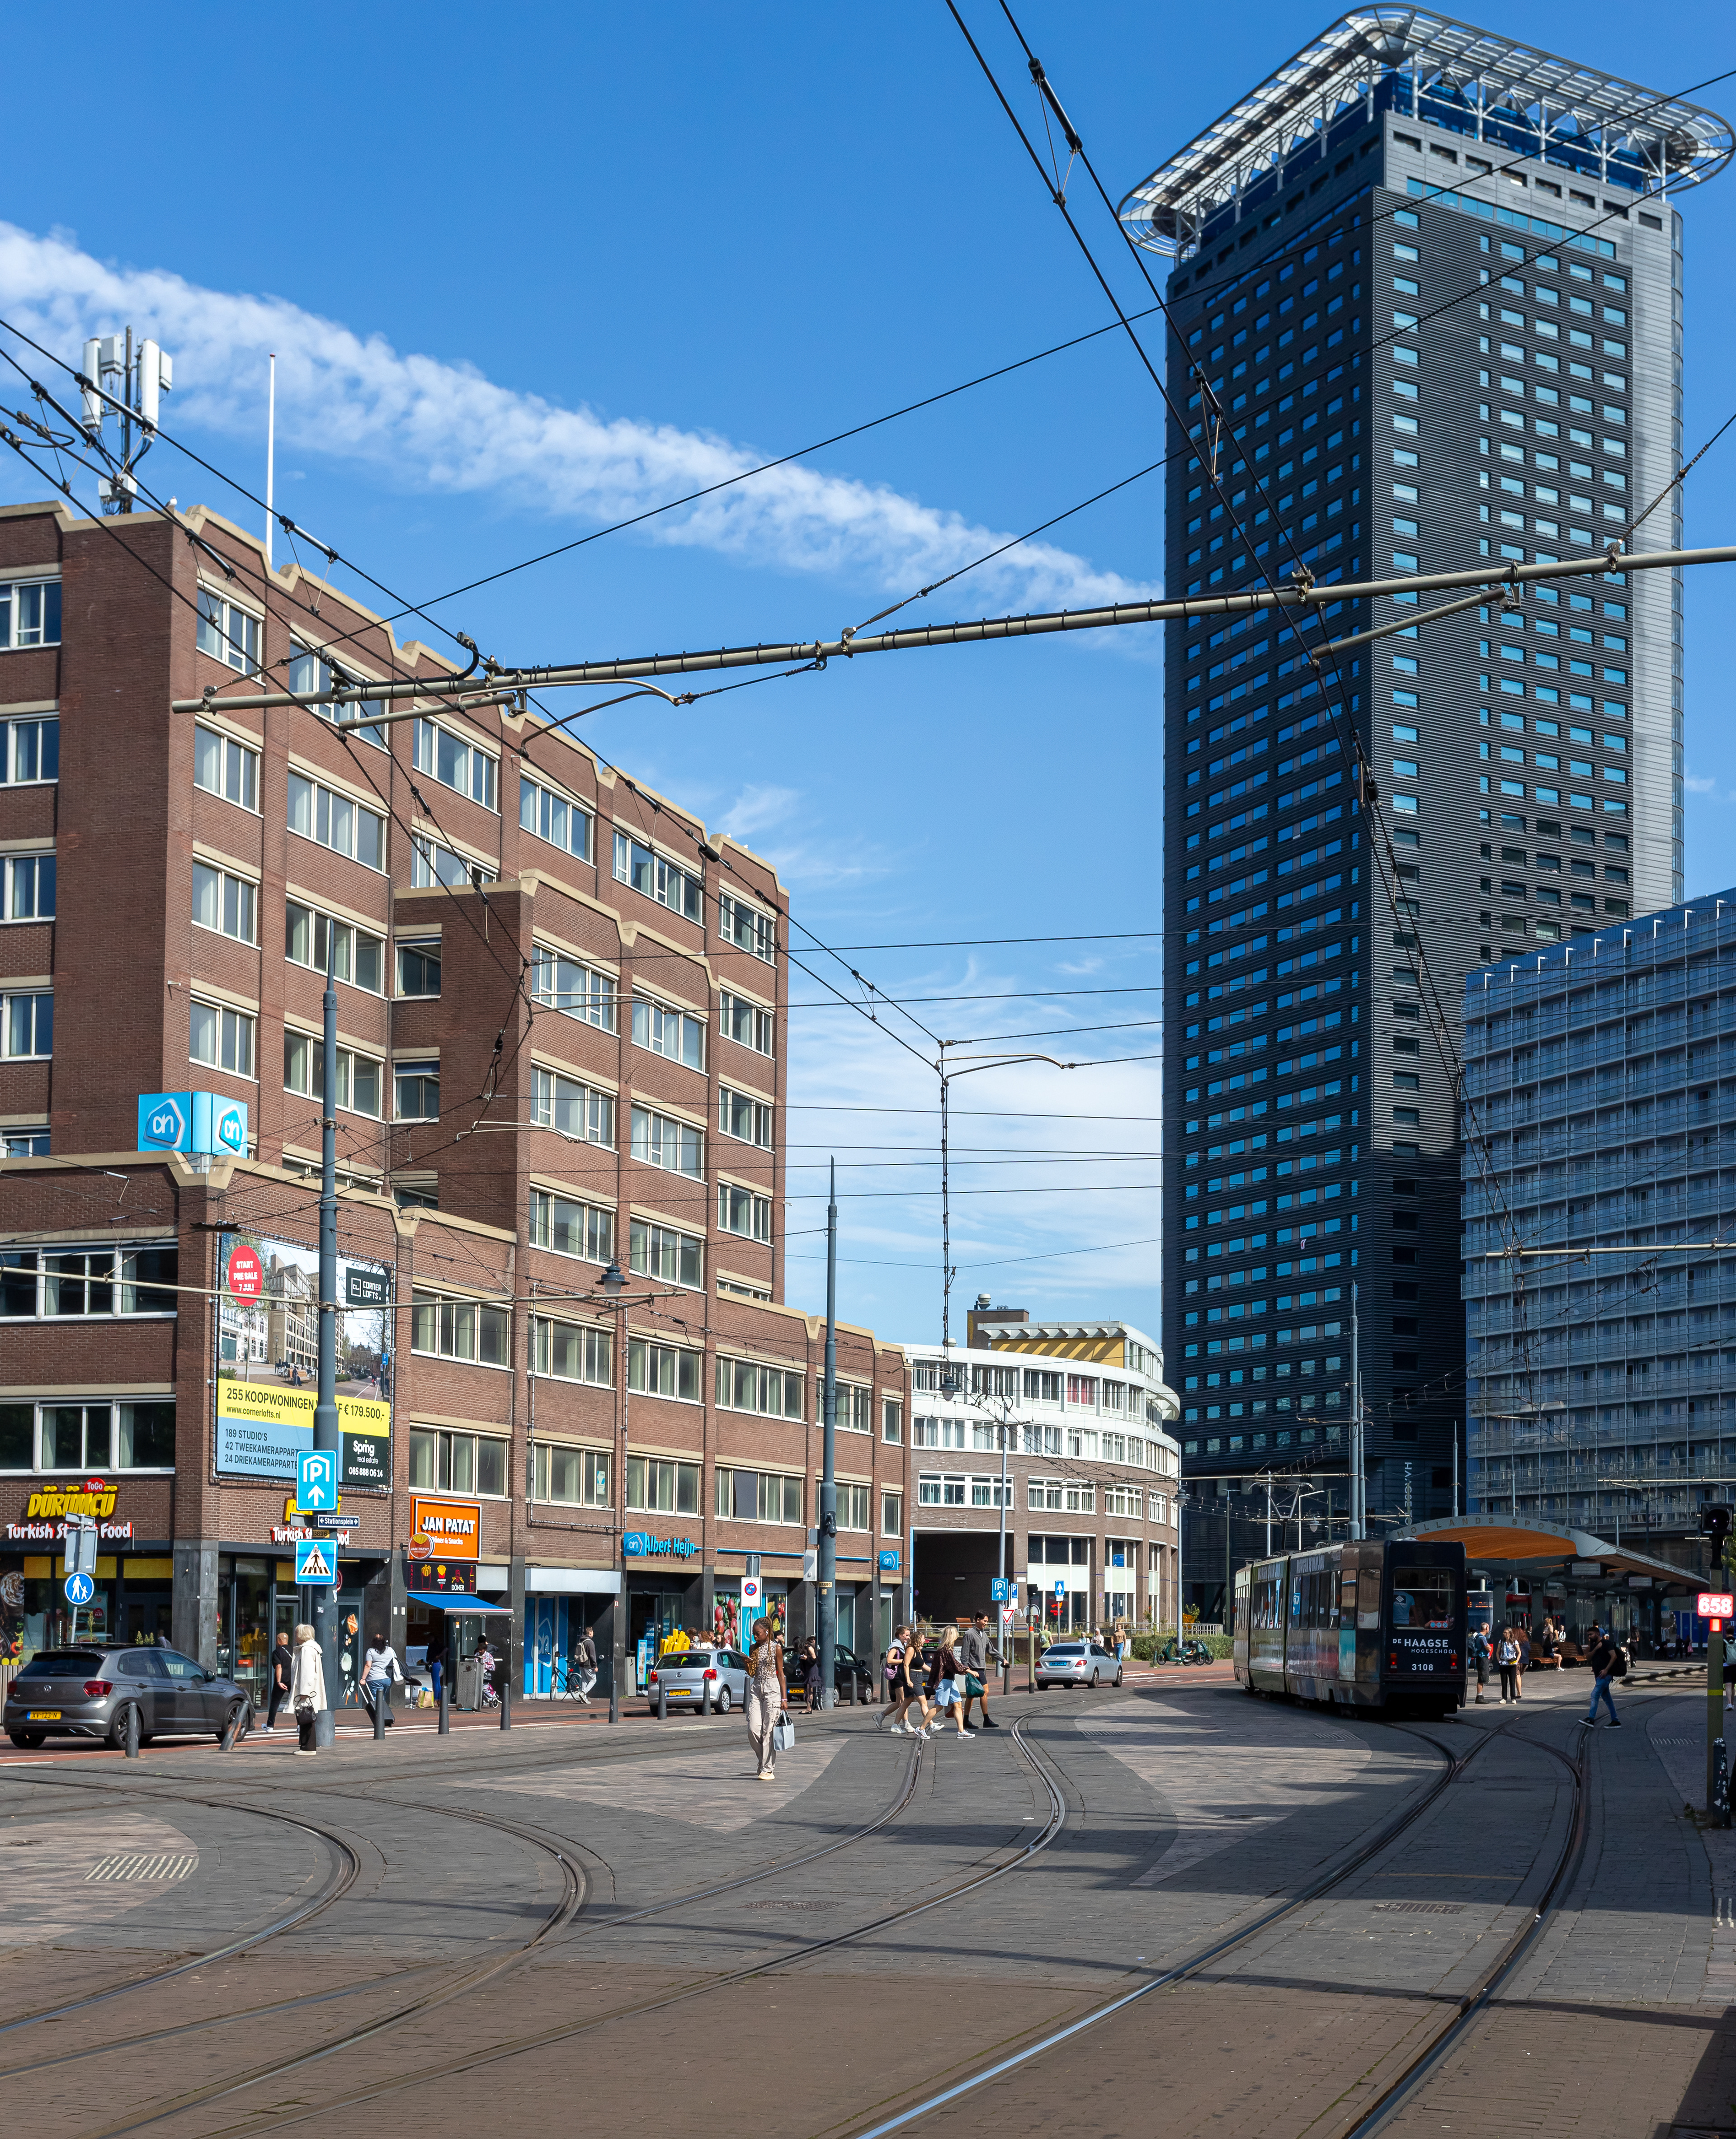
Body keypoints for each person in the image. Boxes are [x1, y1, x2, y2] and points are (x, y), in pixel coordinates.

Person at [745, 1618, 787, 1780]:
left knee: (768, 1730)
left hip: (772, 1688)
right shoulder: (753, 1648)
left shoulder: (777, 1648)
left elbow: (781, 1674)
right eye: (754, 1634)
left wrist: (784, 1699)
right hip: (756, 1688)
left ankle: (768, 1769)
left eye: (758, 1633)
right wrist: (746, 1663)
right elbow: (751, 1672)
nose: (755, 1636)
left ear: (767, 1632)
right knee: (753, 1729)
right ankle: (762, 1761)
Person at [289, 1621, 326, 1756]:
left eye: (296, 1633)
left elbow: (307, 1672)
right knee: (307, 1716)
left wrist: (305, 1691)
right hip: (309, 1690)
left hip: (306, 1691)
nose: (295, 1636)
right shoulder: (311, 1648)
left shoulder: (306, 1649)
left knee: (305, 1716)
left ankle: (308, 1748)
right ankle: (306, 1747)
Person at [928, 1625, 972, 1740]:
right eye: (956, 1634)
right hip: (944, 1681)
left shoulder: (947, 1649)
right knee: (939, 1706)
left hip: (950, 1681)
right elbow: (954, 1665)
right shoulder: (945, 1650)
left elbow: (953, 1665)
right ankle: (921, 1728)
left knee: (958, 1704)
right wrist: (969, 1671)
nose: (957, 1636)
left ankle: (961, 1731)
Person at [960, 1611, 999, 1731]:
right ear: (978, 1620)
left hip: (981, 1668)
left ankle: (969, 1720)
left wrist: (1003, 1660)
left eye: (987, 1621)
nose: (986, 1624)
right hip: (973, 1669)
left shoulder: (984, 1635)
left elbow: (991, 1650)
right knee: (981, 1692)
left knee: (975, 1695)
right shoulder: (969, 1634)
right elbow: (964, 1655)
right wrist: (967, 1670)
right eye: (985, 1621)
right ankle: (983, 1720)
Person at [1582, 1627, 1623, 1728]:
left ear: (1597, 1634)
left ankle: (1591, 1719)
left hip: (1605, 1676)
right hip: (1598, 1676)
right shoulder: (1594, 1645)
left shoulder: (1607, 1644)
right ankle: (1615, 1721)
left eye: (1591, 1634)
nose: (1589, 1637)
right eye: (1588, 1635)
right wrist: (1596, 1648)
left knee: (1595, 1695)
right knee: (1607, 1699)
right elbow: (1588, 1658)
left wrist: (1606, 1670)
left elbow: (1614, 1657)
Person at [363, 1633, 403, 1726]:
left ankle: (381, 1720)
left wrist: (363, 1678)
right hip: (388, 1679)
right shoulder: (390, 1650)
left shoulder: (371, 1651)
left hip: (374, 1679)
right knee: (382, 1699)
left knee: (377, 1700)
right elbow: (395, 1661)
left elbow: (368, 1665)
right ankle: (385, 1719)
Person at [264, 1630, 294, 1733]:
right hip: (293, 1679)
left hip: (282, 1680)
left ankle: (270, 1726)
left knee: (275, 1703)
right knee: (298, 1703)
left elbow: (279, 1666)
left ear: (280, 1640)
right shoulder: (294, 1650)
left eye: (277, 1640)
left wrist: (279, 1681)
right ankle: (301, 1726)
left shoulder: (277, 1652)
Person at [1495, 1624, 1522, 1705]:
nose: (1505, 1634)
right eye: (1504, 1633)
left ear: (1510, 1633)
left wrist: (1517, 1661)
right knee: (1504, 1682)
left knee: (1512, 1682)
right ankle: (1504, 1698)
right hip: (1504, 1663)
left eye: (1506, 1633)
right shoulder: (1502, 1641)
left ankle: (1513, 1698)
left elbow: (1519, 1652)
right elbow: (1497, 1652)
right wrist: (1499, 1660)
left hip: (1512, 1664)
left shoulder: (1514, 1642)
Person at [574, 1625, 598, 1704]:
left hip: (581, 1664)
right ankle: (583, 1693)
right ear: (590, 1633)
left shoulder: (581, 1641)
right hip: (589, 1665)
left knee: (584, 1681)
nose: (593, 1634)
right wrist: (595, 1666)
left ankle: (584, 1699)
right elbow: (592, 1655)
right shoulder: (590, 1642)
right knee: (593, 1680)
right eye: (593, 1632)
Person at [799, 1635, 822, 1714]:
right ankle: (809, 1707)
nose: (813, 1641)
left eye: (814, 1640)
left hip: (812, 1670)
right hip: (808, 1670)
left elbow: (814, 1660)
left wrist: (807, 1658)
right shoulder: (805, 1648)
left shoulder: (809, 1647)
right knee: (808, 1689)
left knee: (810, 1689)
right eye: (811, 1639)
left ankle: (809, 1708)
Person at [1470, 1624, 1491, 1705]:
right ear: (1486, 1628)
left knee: (1482, 1678)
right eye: (1488, 1627)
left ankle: (1480, 1696)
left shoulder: (1479, 1636)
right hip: (1482, 1659)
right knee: (1482, 1678)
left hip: (1480, 1659)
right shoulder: (1482, 1638)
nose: (1489, 1629)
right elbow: (1489, 1648)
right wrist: (1490, 1648)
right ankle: (1479, 1697)